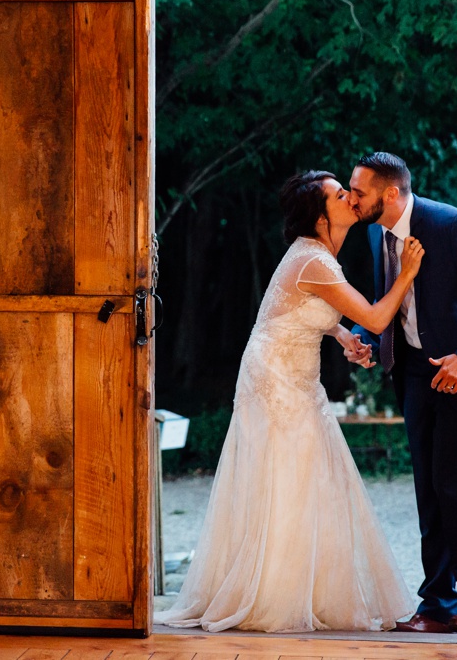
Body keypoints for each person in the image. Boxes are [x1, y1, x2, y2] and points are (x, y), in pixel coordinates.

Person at [155, 170, 421, 633]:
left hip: (298, 372)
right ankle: (271, 598)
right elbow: (377, 320)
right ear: (322, 217)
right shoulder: (312, 260)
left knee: (313, 476)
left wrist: (341, 336)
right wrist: (408, 275)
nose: (351, 198)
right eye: (341, 195)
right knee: (286, 477)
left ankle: (307, 591)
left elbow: (303, 310)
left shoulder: (318, 257)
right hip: (275, 377)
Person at [348, 152, 457, 635]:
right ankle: (439, 605)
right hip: (413, 375)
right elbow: (398, 303)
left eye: (359, 191)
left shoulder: (449, 224)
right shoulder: (374, 232)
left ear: (390, 193)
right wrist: (366, 339)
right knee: (429, 491)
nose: (351, 198)